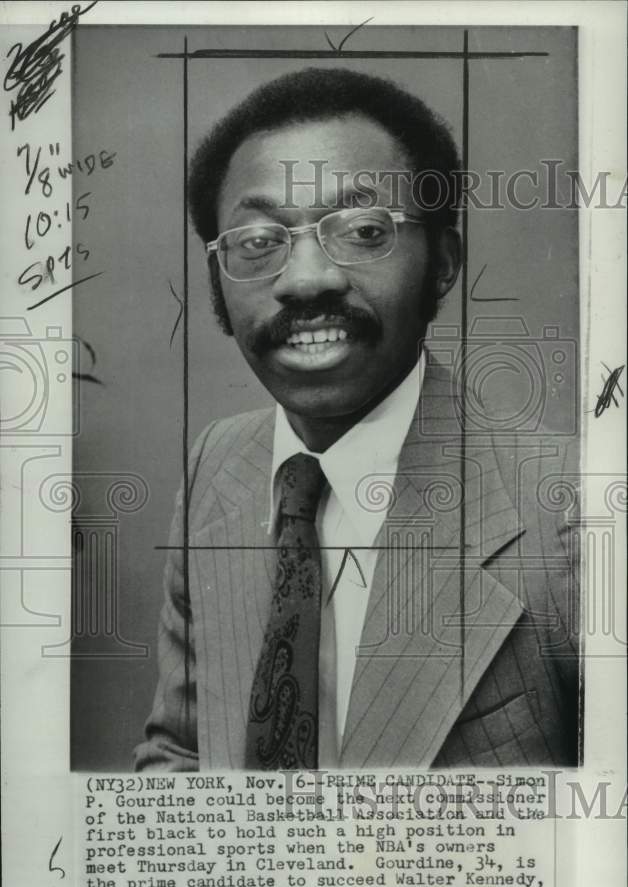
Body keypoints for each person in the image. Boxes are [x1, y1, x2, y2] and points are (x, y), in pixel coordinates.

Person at [134, 67, 580, 772]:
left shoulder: (571, 512)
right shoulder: (217, 464)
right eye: (257, 241)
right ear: (216, 283)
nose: (306, 279)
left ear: (444, 262)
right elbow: (180, 749)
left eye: (364, 231)